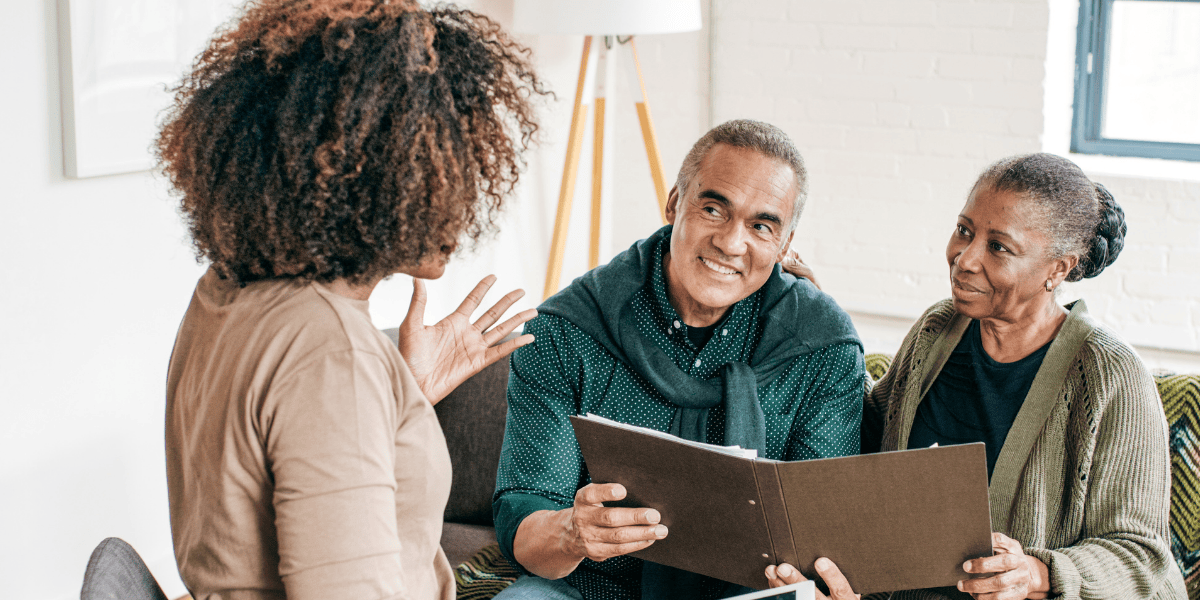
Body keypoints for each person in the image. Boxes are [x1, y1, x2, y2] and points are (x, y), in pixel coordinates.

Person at [156, 1, 547, 599]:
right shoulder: (330, 352)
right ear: (366, 177)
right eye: (442, 169)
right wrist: (361, 383)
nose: (463, 205)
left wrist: (399, 398)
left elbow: (274, 461)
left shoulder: (228, 289)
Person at [765, 153, 1189, 600]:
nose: (964, 258)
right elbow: (868, 434)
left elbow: (1146, 563)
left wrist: (1035, 574)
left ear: (1058, 269)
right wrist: (821, 326)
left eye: (998, 247)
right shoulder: (938, 329)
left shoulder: (1109, 375)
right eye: (964, 231)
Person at [491, 120, 867, 600]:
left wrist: (818, 582)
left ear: (785, 245)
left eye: (761, 225)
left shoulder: (822, 347)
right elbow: (525, 512)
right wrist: (571, 531)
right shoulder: (567, 328)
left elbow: (823, 532)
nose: (732, 243)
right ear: (674, 204)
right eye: (713, 208)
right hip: (592, 589)